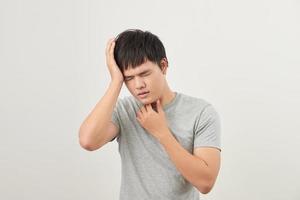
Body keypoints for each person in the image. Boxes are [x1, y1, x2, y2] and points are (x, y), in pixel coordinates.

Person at [79, 29, 222, 200]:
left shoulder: (201, 112)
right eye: (129, 78)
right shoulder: (125, 110)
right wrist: (115, 82)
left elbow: (205, 182)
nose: (138, 84)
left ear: (163, 66)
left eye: (144, 74)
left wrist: (162, 133)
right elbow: (88, 141)